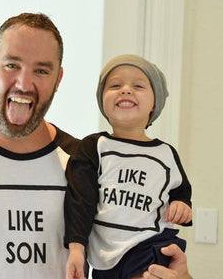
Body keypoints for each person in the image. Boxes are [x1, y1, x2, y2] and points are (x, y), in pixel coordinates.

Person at [0, 13, 191, 279]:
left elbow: (134, 251)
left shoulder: (90, 164)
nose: (24, 84)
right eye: (11, 65)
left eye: (41, 70)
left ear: (58, 79)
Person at [64, 54, 192, 279]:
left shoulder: (166, 153)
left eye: (138, 85)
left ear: (154, 103)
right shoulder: (94, 147)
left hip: (151, 246)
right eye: (115, 85)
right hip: (105, 256)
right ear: (102, 100)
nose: (125, 90)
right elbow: (80, 202)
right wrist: (76, 249)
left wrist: (182, 204)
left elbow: (180, 190)